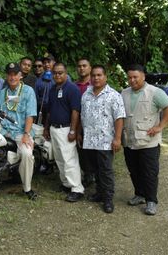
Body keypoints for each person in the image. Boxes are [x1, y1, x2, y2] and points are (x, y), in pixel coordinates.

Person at [121, 64, 168, 215]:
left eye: (135, 77)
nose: (132, 80)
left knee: (149, 172)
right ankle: (140, 194)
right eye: (129, 77)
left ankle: (151, 201)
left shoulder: (155, 92)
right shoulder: (124, 93)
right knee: (134, 170)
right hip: (129, 140)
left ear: (143, 76)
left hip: (148, 142)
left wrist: (160, 126)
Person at [79, 65, 125, 213]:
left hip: (105, 141)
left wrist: (117, 139)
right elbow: (82, 116)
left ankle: (108, 199)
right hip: (89, 140)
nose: (96, 78)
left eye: (99, 75)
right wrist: (80, 133)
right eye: (93, 75)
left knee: (106, 170)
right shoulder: (86, 95)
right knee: (94, 169)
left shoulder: (113, 95)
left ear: (105, 77)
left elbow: (119, 118)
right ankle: (99, 193)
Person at [0, 62, 38, 200]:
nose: (12, 77)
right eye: (9, 74)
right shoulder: (2, 93)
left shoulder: (28, 91)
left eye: (15, 74)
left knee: (26, 154)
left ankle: (27, 188)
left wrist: (26, 134)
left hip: (20, 131)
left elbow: (30, 115)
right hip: (4, 130)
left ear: (20, 76)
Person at [43, 62, 84, 202]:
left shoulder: (72, 89)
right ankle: (66, 184)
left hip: (66, 129)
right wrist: (46, 127)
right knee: (59, 159)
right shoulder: (53, 89)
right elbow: (49, 111)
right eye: (55, 73)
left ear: (66, 73)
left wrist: (73, 130)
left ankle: (77, 188)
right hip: (54, 128)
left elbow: (75, 111)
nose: (57, 75)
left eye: (60, 72)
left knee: (69, 159)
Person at [75, 58, 93, 187]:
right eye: (79, 66)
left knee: (93, 152)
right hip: (77, 123)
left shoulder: (96, 84)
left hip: (93, 123)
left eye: (84, 66)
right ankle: (86, 175)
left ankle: (95, 175)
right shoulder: (73, 86)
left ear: (90, 68)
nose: (82, 68)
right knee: (81, 151)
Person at [34, 52, 56, 124]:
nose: (46, 64)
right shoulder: (39, 79)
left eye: (49, 62)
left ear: (54, 63)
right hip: (42, 111)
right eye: (44, 62)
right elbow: (36, 96)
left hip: (55, 110)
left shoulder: (61, 76)